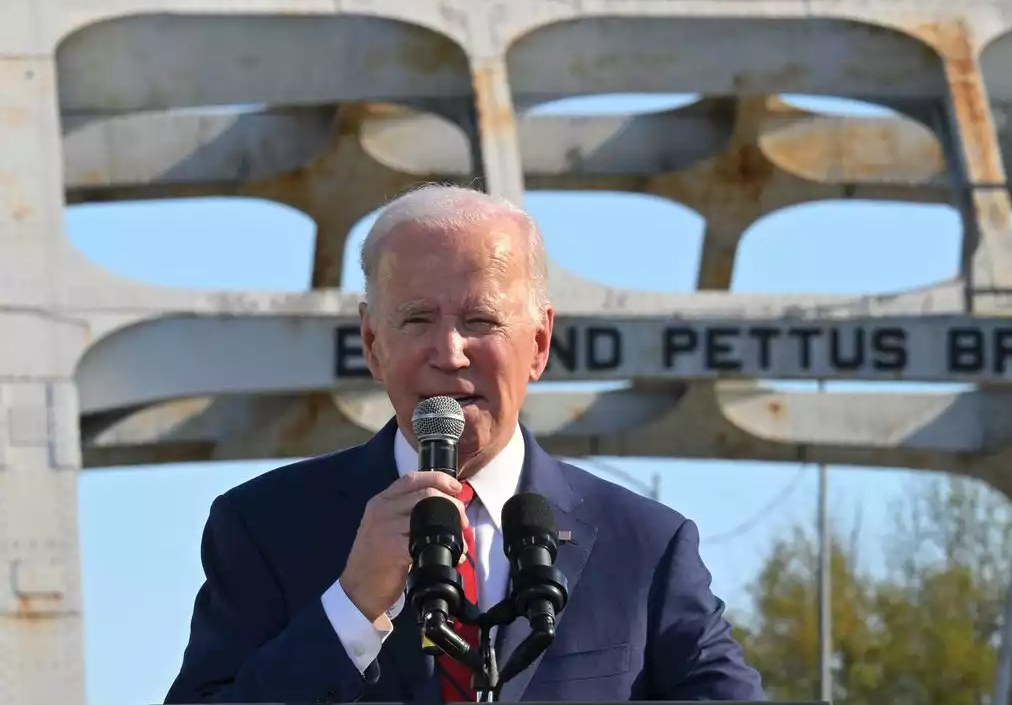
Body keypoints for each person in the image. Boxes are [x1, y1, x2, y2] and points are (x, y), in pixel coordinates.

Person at [164, 183, 766, 703]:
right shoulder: (265, 527)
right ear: (373, 343)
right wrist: (349, 608)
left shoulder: (648, 548)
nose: (450, 353)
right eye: (417, 320)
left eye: (480, 321)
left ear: (539, 342)